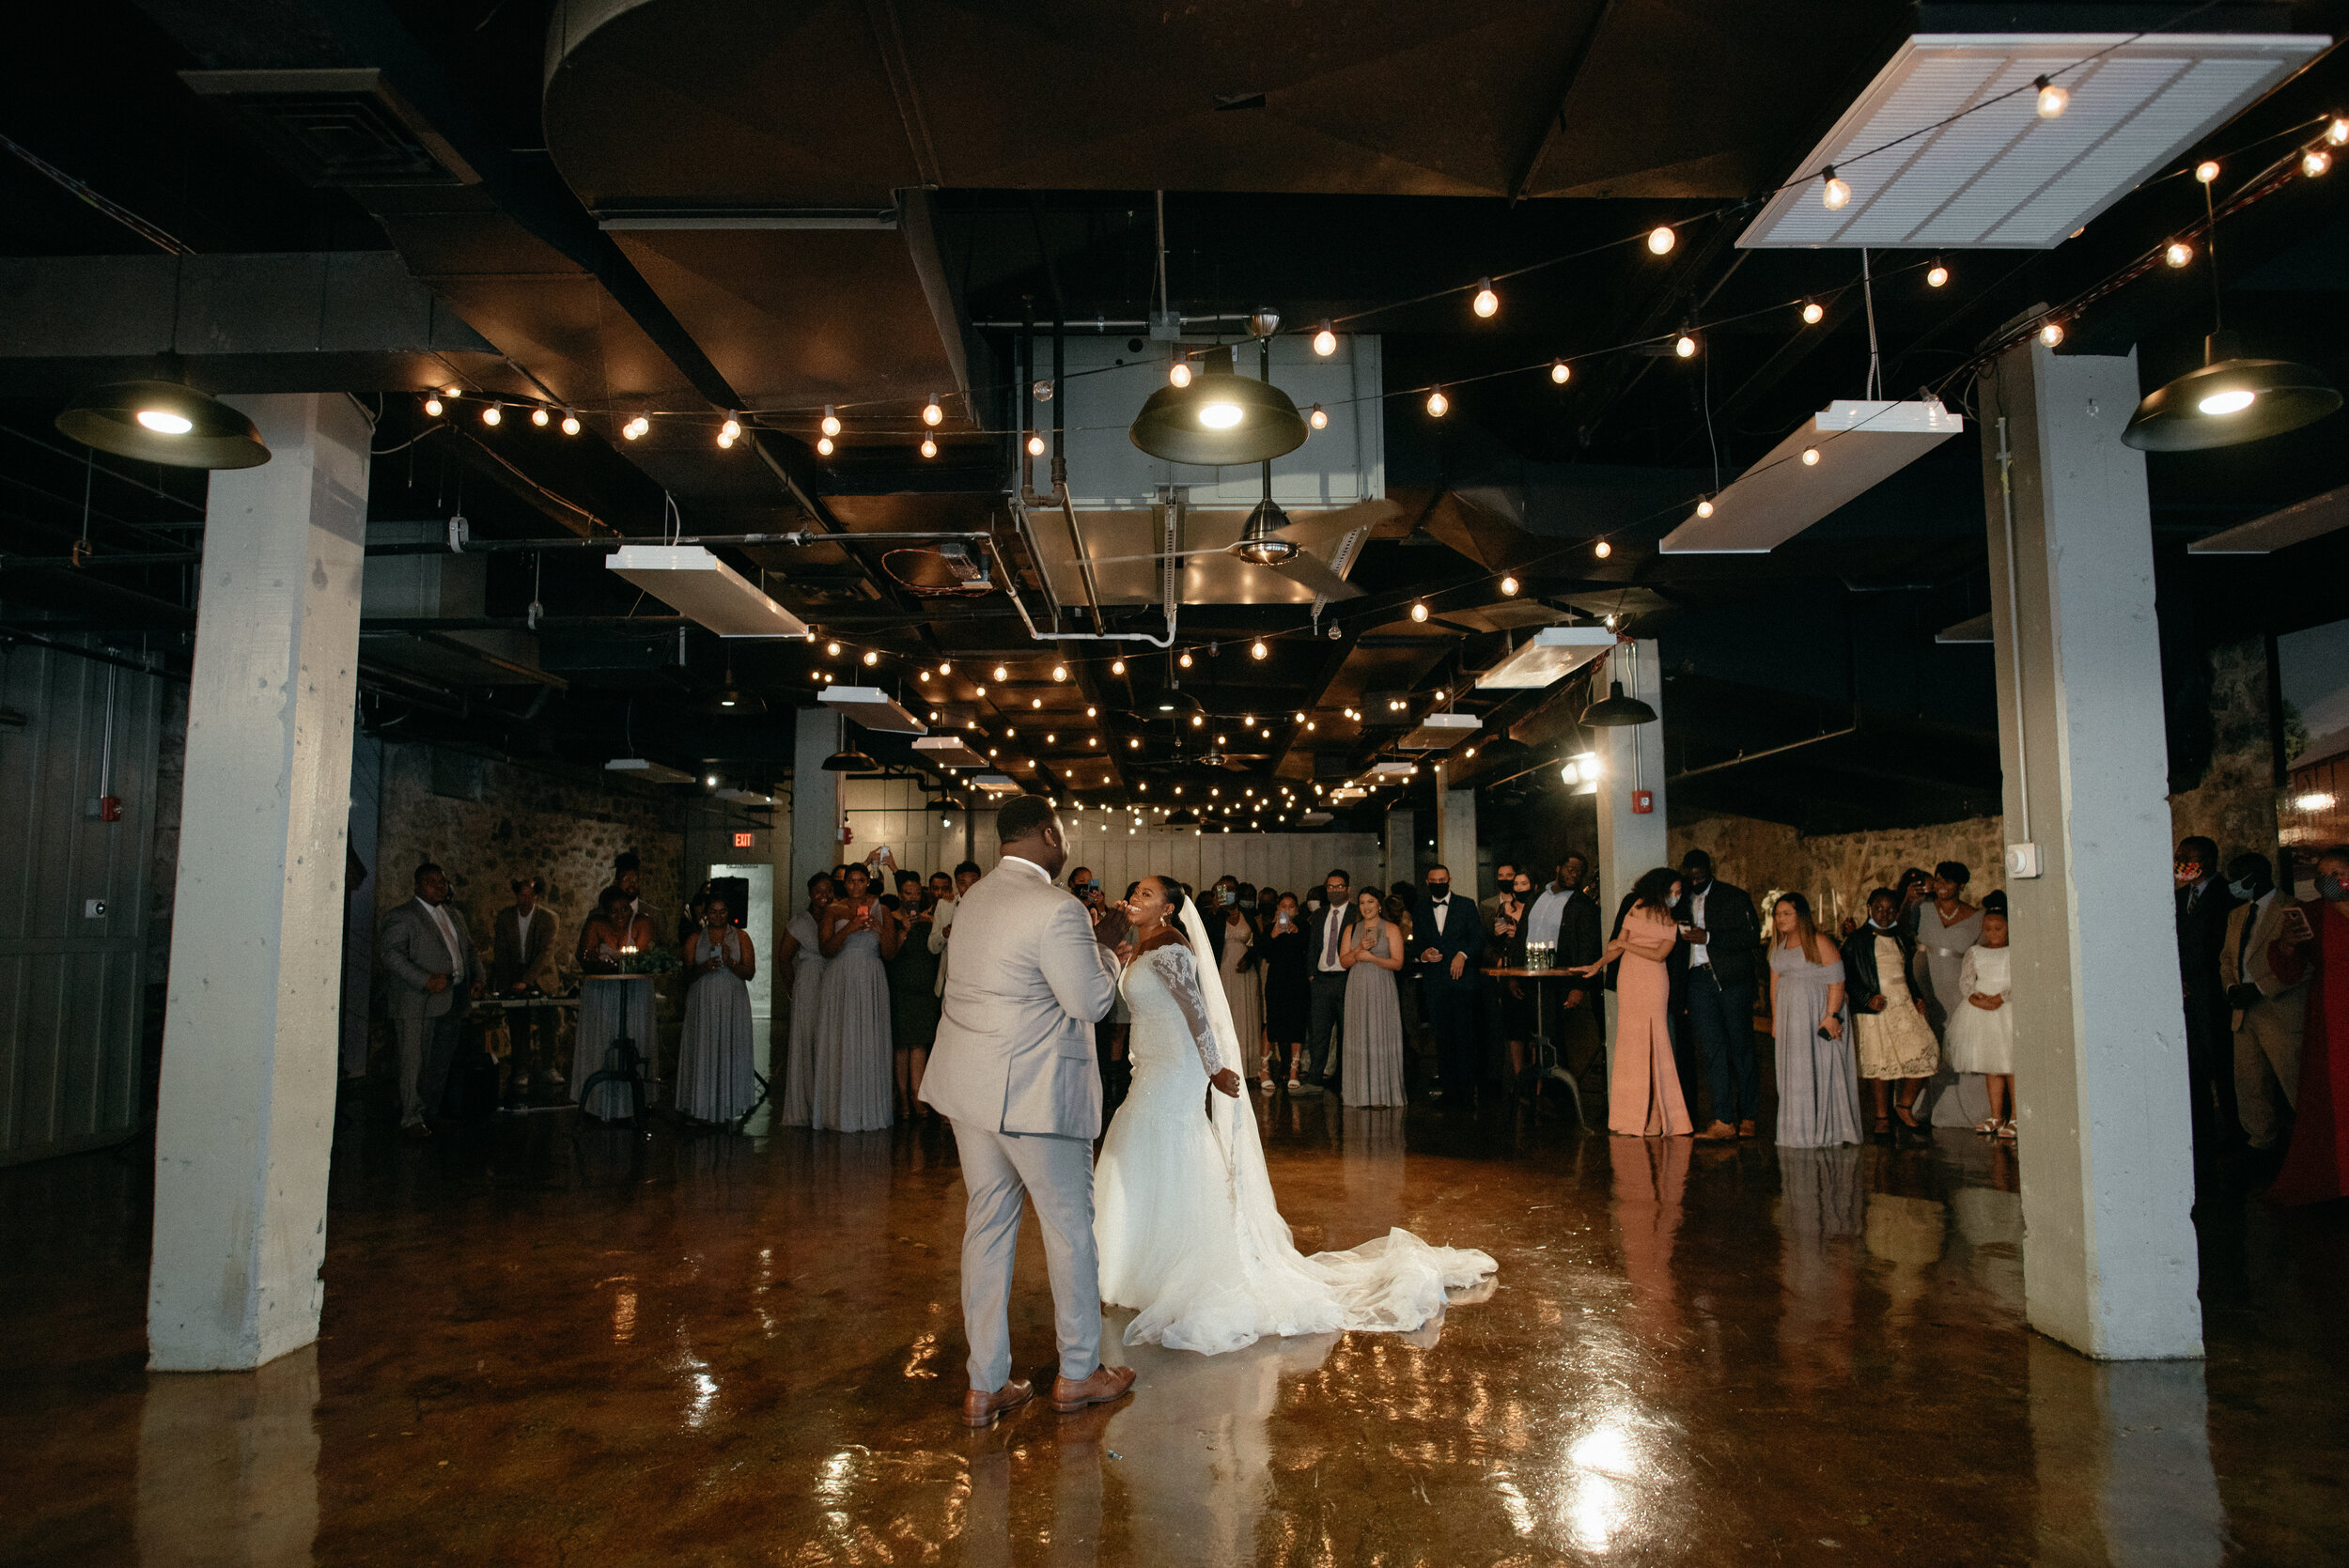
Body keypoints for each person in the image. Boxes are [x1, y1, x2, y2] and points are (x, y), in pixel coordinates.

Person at [1092, 875, 1495, 1356]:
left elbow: (1197, 1013)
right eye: (1134, 892)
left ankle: (1180, 1266)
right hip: (1149, 1064)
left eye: (1146, 896)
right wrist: (1109, 947)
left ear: (1168, 910)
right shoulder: (1134, 949)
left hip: (1176, 1068)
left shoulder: (1172, 948)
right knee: (1137, 1148)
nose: (1134, 899)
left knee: (1164, 1144)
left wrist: (1214, 1068)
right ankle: (1133, 1263)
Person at [918, 796, 1133, 1426]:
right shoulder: (1058, 907)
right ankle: (1078, 1372)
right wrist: (1111, 946)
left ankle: (985, 1385)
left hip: (970, 1089)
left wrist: (1085, 941)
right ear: (1047, 833)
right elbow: (1091, 1001)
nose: (1065, 842)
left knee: (986, 1227)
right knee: (1069, 1230)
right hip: (1036, 1095)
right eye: (1062, 831)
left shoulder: (975, 899)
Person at [1569, 867, 1691, 1137]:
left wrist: (1627, 946)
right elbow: (1614, 945)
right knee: (1630, 1045)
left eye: (1679, 893)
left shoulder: (1674, 920)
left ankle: (1659, 1114)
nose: (1675, 897)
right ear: (1658, 890)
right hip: (1629, 979)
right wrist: (1598, 964)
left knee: (1656, 1045)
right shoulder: (1635, 906)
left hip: (1653, 981)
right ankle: (1631, 1116)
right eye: (1672, 892)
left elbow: (1659, 955)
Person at [379, 862, 482, 1139]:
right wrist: (424, 979)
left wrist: (477, 978)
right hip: (417, 1001)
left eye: (443, 882)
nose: (439, 886)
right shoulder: (403, 916)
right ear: (417, 886)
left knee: (440, 1060)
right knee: (414, 1061)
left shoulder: (453, 915)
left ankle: (429, 1112)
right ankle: (410, 1117)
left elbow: (469, 950)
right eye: (431, 882)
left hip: (452, 999)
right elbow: (390, 955)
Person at [2271, 845, 2349, 1204]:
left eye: (2336, 874)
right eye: (2322, 876)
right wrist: (2287, 944)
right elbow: (2289, 971)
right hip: (2330, 1012)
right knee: (2335, 1094)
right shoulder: (2310, 913)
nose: (2328, 882)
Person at [2218, 851, 2306, 1160]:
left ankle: (2310, 1146)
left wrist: (2259, 988)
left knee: (2294, 1081)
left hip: (2278, 1012)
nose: (2232, 884)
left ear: (2254, 877)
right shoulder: (2237, 915)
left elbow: (2303, 966)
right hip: (2243, 1012)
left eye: (2236, 877)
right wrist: (2231, 986)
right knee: (2250, 1083)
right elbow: (2228, 959)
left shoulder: (2292, 909)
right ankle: (2260, 1142)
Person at [1675, 849, 1762, 1141]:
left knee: (1742, 1048)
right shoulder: (1680, 898)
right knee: (1712, 1051)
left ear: (1710, 870)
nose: (1695, 881)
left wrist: (1709, 937)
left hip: (1732, 979)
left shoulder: (1733, 896)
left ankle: (1748, 1116)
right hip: (1697, 980)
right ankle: (1723, 1119)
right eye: (1691, 877)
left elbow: (1752, 936)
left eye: (1700, 876)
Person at [1844, 887, 1936, 1146]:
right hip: (1876, 1007)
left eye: (1891, 910)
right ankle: (1882, 1116)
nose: (1885, 914)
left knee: (1926, 1049)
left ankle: (1904, 1106)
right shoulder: (1857, 940)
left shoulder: (1901, 939)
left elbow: (1907, 973)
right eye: (1879, 909)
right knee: (1881, 1060)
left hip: (1902, 1003)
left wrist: (1918, 997)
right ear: (1869, 909)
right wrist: (1866, 998)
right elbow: (1847, 978)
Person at [1767, 893, 1856, 1147]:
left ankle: (1824, 1129)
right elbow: (1774, 984)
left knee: (1817, 1067)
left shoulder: (1819, 942)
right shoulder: (1778, 946)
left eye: (1787, 914)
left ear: (1800, 915)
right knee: (1794, 1070)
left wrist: (1830, 1016)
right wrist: (1775, 1020)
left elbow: (1837, 979)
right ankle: (1798, 1129)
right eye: (1778, 914)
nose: (1780, 919)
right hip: (1790, 1017)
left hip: (1815, 1013)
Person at [2175, 834, 2241, 1167]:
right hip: (2186, 994)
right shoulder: (2178, 898)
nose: (2181, 861)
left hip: (2215, 994)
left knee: (2222, 1063)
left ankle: (2235, 1130)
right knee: (2193, 1067)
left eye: (2189, 856)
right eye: (2179, 854)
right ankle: (2200, 1133)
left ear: (2209, 861)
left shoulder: (2228, 895)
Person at [814, 863, 894, 1132]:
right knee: (842, 1040)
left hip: (871, 974)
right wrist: (850, 929)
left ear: (868, 882)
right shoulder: (833, 910)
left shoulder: (881, 910)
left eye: (861, 881)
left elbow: (891, 953)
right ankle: (840, 1110)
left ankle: (869, 1109)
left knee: (869, 1040)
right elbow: (825, 950)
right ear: (844, 884)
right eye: (851, 881)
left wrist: (879, 931)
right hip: (841, 976)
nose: (856, 885)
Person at [1913, 861, 1989, 1128]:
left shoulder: (1977, 917)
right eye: (1939, 880)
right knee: (1926, 1041)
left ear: (1961, 885)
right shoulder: (1921, 910)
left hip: (1956, 988)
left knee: (1958, 1044)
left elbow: (1983, 958)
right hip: (1924, 982)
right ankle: (1923, 1106)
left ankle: (1970, 1110)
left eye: (1948, 882)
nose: (1942, 886)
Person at [573, 885, 656, 1121]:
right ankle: (601, 1105)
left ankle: (631, 1107)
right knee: (604, 1042)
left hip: (634, 992)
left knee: (632, 1040)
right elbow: (586, 958)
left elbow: (646, 957)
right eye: (614, 911)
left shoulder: (643, 922)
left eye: (624, 909)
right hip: (602, 992)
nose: (620, 915)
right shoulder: (595, 925)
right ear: (604, 911)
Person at [676, 894, 757, 1123]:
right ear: (705, 913)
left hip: (733, 998)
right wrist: (704, 967)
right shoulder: (694, 938)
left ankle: (729, 1104)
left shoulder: (741, 937)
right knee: (704, 1047)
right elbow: (686, 974)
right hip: (703, 999)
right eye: (713, 911)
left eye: (722, 911)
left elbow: (750, 973)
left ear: (728, 913)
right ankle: (701, 1104)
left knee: (730, 1048)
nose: (718, 916)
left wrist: (730, 962)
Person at [1415, 864, 1486, 1107]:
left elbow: (1478, 939)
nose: (1438, 883)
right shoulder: (1420, 908)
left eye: (1442, 880)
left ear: (1450, 880)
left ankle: (1467, 1093)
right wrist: (1424, 954)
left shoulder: (1466, 905)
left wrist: (1463, 954)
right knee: (1442, 1038)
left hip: (1462, 982)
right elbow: (1417, 943)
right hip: (1435, 983)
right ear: (1427, 882)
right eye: (1434, 880)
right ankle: (1449, 1091)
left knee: (1465, 1036)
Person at [1944, 909, 2015, 1141]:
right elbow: (1966, 980)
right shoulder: (1975, 952)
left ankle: (2015, 1117)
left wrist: (2001, 997)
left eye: (1999, 928)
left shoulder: (2014, 950)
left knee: (2010, 1064)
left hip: (2007, 1008)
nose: (1993, 933)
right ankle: (1996, 1116)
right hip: (1982, 1008)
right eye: (1988, 929)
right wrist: (1975, 997)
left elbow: (2020, 979)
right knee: (1991, 1064)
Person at [490, 875, 564, 1094]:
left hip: (541, 974)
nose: (526, 899)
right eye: (522, 895)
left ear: (537, 896)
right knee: (517, 1021)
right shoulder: (505, 917)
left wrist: (527, 980)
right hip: (515, 972)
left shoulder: (549, 918)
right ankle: (521, 1069)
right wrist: (506, 981)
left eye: (531, 895)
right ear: (516, 895)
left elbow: (545, 953)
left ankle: (548, 1066)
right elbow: (501, 952)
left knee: (547, 1021)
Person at [1341, 888, 1408, 1106]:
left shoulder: (1391, 929)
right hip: (1357, 986)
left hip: (1382, 985)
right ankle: (1358, 1095)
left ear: (1379, 904)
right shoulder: (1351, 929)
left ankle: (1382, 1095)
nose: (1366, 906)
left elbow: (1397, 963)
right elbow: (1343, 962)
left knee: (1381, 1034)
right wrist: (1359, 948)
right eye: (1362, 903)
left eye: (1370, 902)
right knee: (1359, 1035)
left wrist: (1371, 958)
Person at [885, 874, 943, 1120]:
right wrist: (903, 932)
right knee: (901, 1045)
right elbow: (888, 954)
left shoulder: (929, 922)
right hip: (900, 988)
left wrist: (930, 923)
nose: (913, 898)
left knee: (919, 1043)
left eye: (917, 893)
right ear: (900, 895)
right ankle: (903, 1096)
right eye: (908, 893)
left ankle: (917, 1093)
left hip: (923, 990)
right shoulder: (892, 920)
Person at [776, 873, 832, 1126]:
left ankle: (827, 1103)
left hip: (832, 979)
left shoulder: (836, 916)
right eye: (819, 891)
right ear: (810, 894)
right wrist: (793, 989)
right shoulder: (800, 921)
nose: (824, 895)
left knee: (828, 1040)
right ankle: (806, 1104)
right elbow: (783, 958)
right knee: (808, 1038)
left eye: (828, 890)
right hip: (809, 980)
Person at [1299, 869, 1356, 1094]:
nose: (1335, 891)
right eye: (1330, 887)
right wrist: (1312, 974)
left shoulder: (1356, 913)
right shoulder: (1320, 914)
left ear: (1348, 889)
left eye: (1339, 886)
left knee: (1346, 1033)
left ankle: (1345, 1083)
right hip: (1321, 980)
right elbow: (1313, 945)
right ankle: (1314, 1080)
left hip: (1345, 979)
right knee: (1319, 1032)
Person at [1207, 888, 1266, 1089]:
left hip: (1245, 971)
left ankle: (1249, 1068)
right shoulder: (1214, 917)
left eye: (1230, 891)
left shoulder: (1248, 914)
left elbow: (1258, 941)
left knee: (1246, 1014)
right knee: (1226, 1015)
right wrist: (1217, 910)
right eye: (1222, 892)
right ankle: (1223, 1067)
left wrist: (1249, 959)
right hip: (1223, 969)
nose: (1227, 895)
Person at [1492, 871, 1540, 1097]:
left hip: (1533, 965)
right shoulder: (1504, 909)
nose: (1520, 887)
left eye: (1525, 882)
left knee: (1534, 1024)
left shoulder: (1538, 907)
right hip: (1510, 965)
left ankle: (1537, 1081)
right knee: (1514, 1025)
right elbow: (1499, 939)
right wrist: (1498, 933)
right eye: (1516, 884)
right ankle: (1519, 1077)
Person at [1262, 893, 1310, 1094]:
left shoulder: (1305, 928)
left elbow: (1309, 950)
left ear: (1297, 910)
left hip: (1298, 982)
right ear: (1277, 909)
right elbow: (1264, 953)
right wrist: (1274, 933)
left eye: (1291, 906)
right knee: (1272, 1022)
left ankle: (1294, 1071)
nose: (1287, 910)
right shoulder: (1268, 929)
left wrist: (1297, 931)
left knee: (1297, 1022)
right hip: (1276, 981)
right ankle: (1264, 1071)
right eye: (1283, 906)